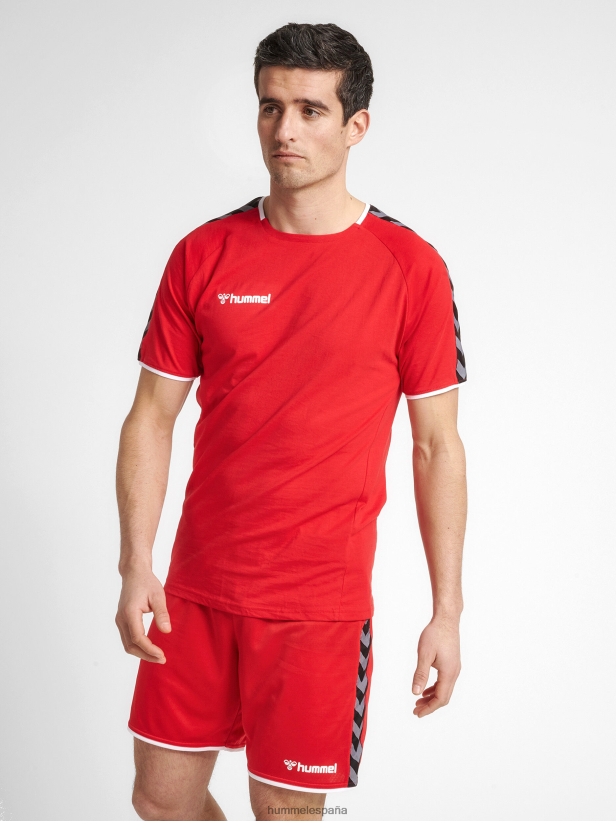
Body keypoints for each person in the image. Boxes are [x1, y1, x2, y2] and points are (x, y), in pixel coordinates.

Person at [115, 21, 467, 821]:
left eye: (311, 110)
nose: (285, 130)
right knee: (160, 799)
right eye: (271, 107)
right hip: (196, 587)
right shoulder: (203, 253)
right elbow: (150, 417)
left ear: (356, 125)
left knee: (287, 812)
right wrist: (136, 562)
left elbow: (437, 445)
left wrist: (446, 612)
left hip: (318, 602)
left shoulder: (410, 267)